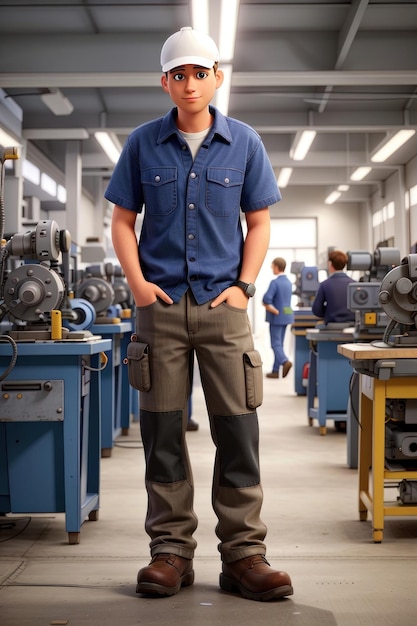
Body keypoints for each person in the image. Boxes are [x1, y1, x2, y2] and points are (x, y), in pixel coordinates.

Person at [105, 26, 293, 602]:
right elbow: (121, 221)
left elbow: (258, 222)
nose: (190, 84)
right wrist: (137, 285)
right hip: (158, 310)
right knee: (163, 432)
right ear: (165, 81)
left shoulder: (245, 144)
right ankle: (170, 553)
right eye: (178, 74)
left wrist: (243, 286)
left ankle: (244, 555)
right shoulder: (141, 143)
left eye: (200, 73)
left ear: (217, 77)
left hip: (223, 308)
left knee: (238, 431)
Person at [262, 257, 294, 379]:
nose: (271, 268)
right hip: (287, 315)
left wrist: (272, 309)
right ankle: (275, 371)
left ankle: (285, 361)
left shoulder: (275, 282)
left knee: (275, 344)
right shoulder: (288, 282)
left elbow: (266, 299)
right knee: (279, 343)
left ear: (276, 267)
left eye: (272, 265)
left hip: (277, 316)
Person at [311, 250, 355, 324]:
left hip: (331, 326)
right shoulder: (354, 284)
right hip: (352, 326)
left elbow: (316, 310)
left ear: (330, 263)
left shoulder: (325, 285)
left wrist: (329, 312)